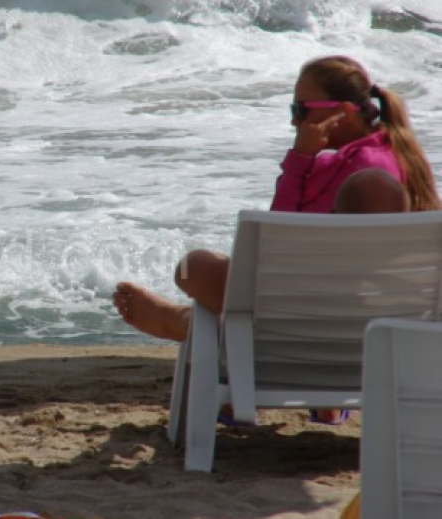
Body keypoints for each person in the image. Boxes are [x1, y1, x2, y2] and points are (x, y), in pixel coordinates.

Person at [113, 55, 440, 422]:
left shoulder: (361, 172)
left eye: (301, 109)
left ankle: (185, 322)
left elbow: (276, 237)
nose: (294, 121)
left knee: (193, 267)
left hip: (304, 324)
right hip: (375, 334)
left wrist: (300, 158)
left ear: (344, 111)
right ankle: (325, 399)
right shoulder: (398, 161)